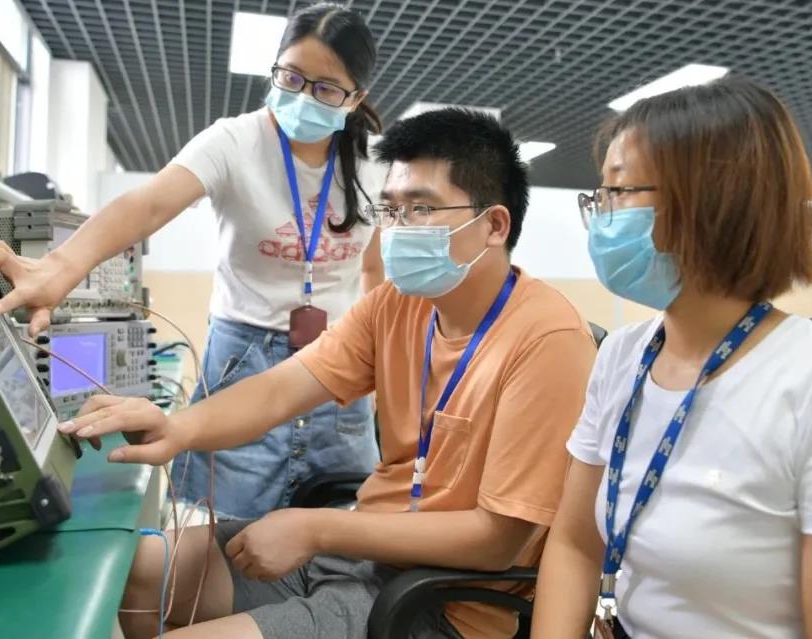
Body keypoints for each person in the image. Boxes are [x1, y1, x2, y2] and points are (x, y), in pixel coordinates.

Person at [57, 108, 598, 639]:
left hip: (437, 602)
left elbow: (497, 540)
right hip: (356, 549)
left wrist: (316, 529)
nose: (397, 229)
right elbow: (280, 389)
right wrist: (177, 429)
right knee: (137, 576)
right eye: (390, 210)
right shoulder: (396, 305)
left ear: (494, 225)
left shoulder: (547, 339)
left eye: (420, 208)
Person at [531, 76, 812, 639]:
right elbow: (575, 543)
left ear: (711, 201)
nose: (603, 216)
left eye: (619, 192)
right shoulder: (623, 354)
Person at [0, 2, 386, 520]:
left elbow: (372, 270)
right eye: (292, 77)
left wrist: (380, 359)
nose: (303, 97)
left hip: (336, 364)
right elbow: (147, 205)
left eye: (325, 89)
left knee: (341, 522)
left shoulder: (377, 165)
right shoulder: (235, 141)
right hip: (244, 355)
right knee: (223, 523)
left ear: (356, 97)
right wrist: (58, 269)